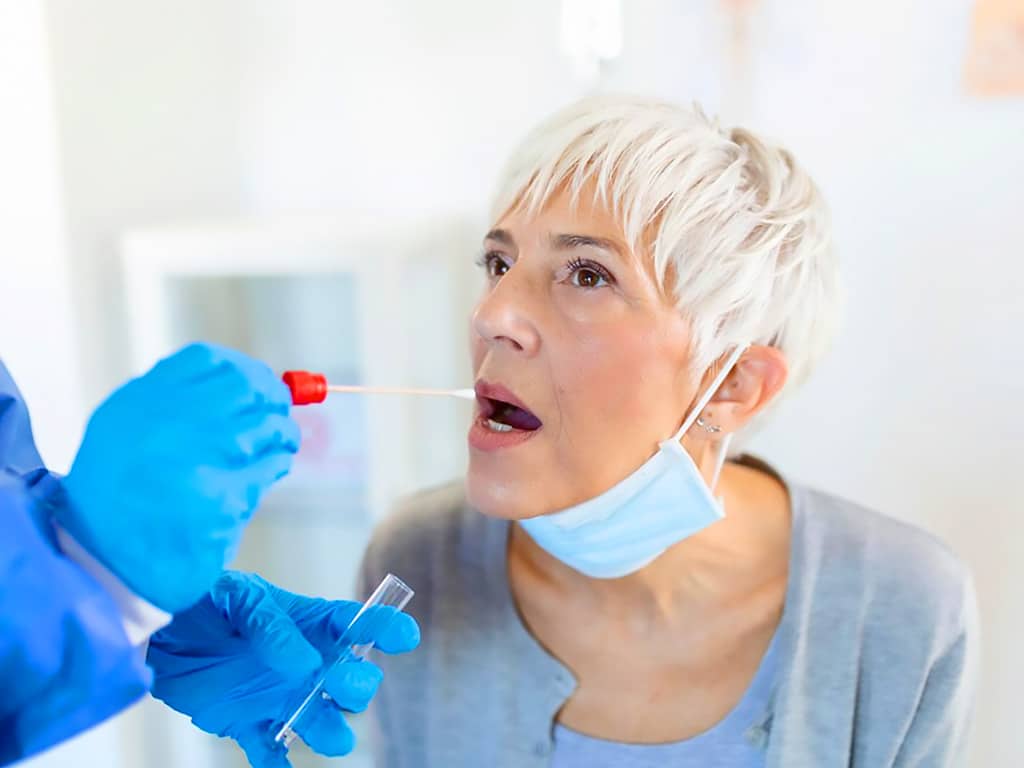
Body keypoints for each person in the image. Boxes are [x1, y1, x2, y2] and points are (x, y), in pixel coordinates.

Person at [358, 96, 978, 767]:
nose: (493, 314)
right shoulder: (420, 562)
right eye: (499, 264)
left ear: (733, 383)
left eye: (588, 274)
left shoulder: (898, 604)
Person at [0, 342, 418, 768]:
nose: (486, 316)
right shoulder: (419, 540)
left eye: (495, 268)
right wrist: (96, 584)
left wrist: (142, 616)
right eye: (489, 268)